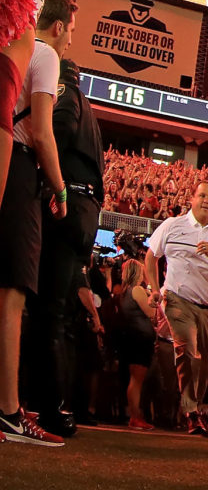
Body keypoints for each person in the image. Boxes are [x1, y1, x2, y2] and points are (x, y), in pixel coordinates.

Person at [0, 0, 73, 447]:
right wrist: (61, 190)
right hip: (23, 168)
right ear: (61, 26)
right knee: (11, 295)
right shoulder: (44, 53)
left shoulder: (13, 42)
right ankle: (8, 411)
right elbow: (43, 132)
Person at [23, 57, 104, 438]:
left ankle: (49, 406)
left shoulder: (67, 94)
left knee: (48, 314)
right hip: (86, 211)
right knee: (62, 316)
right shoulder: (90, 108)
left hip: (68, 202)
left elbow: (56, 130)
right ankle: (60, 404)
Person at [144, 182, 208, 437]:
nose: (206, 200)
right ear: (191, 199)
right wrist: (153, 288)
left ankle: (192, 407)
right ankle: (191, 412)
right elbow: (151, 257)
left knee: (203, 364)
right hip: (176, 299)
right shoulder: (173, 225)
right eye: (202, 195)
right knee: (187, 350)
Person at [117, 258, 155, 431]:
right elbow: (151, 313)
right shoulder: (137, 290)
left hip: (130, 337)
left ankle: (134, 415)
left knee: (134, 378)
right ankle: (135, 416)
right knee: (137, 379)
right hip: (140, 339)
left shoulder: (124, 292)